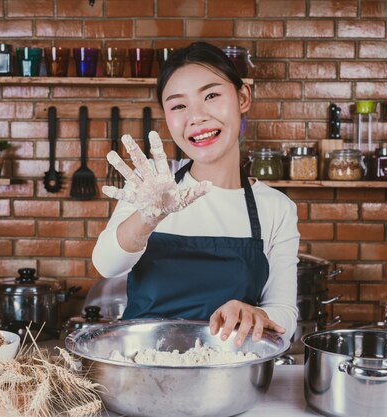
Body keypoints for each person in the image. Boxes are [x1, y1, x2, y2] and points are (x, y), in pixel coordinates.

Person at [92, 42, 299, 347]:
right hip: (143, 368)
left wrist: (253, 313)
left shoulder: (276, 208)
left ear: (242, 98)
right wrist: (149, 217)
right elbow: (107, 265)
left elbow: (285, 317)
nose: (196, 116)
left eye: (211, 96)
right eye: (178, 105)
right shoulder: (150, 191)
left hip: (226, 376)